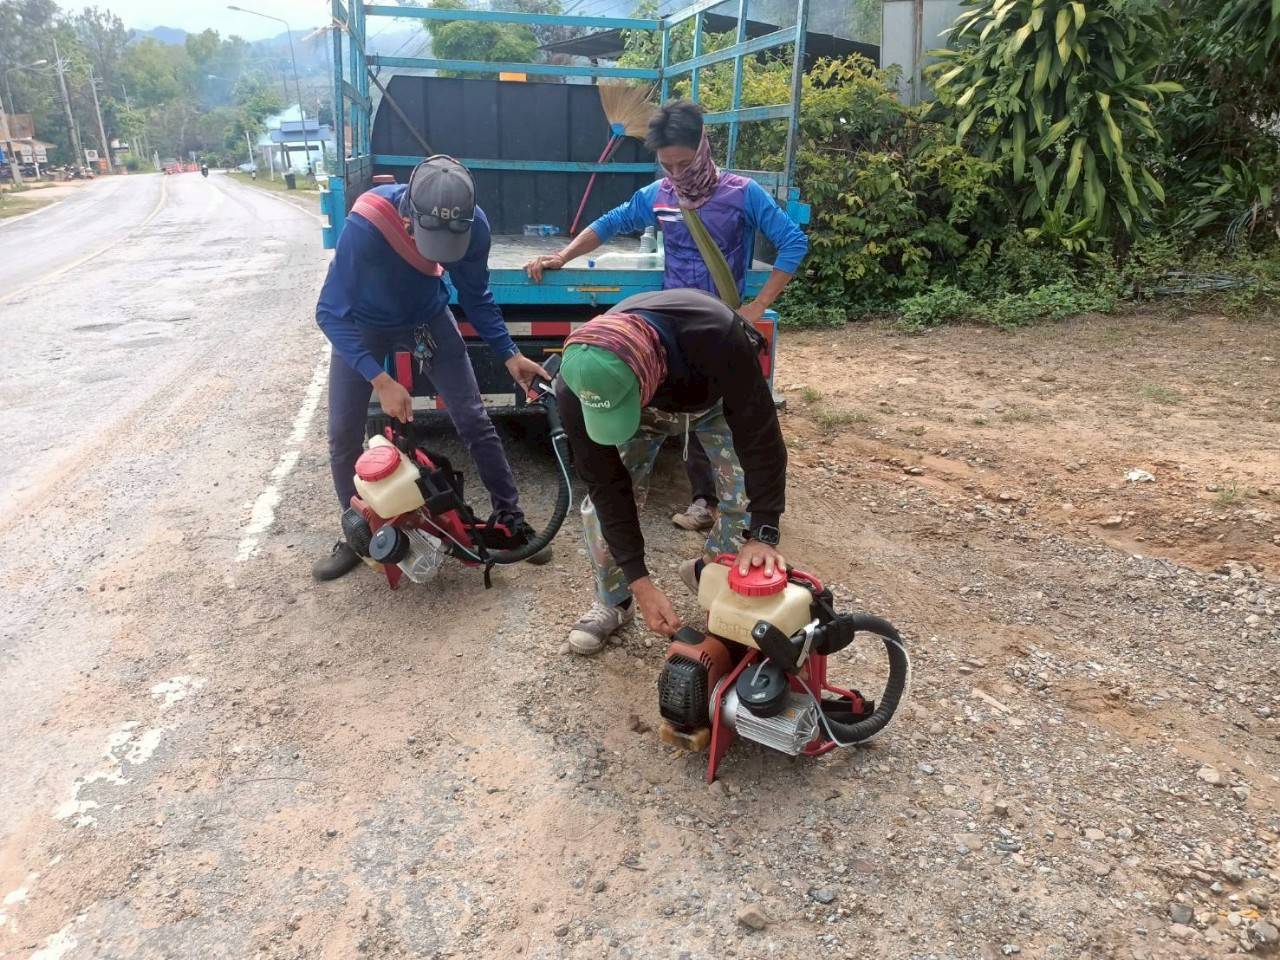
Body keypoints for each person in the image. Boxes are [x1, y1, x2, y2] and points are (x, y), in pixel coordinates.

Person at [524, 100, 807, 535]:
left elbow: (793, 242)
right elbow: (611, 222)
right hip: (673, 330)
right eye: (667, 165)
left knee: (724, 419)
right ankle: (682, 502)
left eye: (683, 163)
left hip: (721, 328)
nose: (676, 174)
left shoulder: (742, 193)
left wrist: (757, 305)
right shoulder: (658, 195)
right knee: (676, 409)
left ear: (703, 147)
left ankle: (724, 508)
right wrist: (563, 255)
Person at [313, 155, 550, 581]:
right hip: (363, 324)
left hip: (426, 319)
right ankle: (359, 532)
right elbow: (330, 312)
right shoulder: (367, 225)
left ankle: (511, 520)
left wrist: (510, 353)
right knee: (342, 435)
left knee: (474, 419)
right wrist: (379, 378)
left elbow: (476, 296)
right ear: (408, 219)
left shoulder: (475, 226)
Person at [555, 288, 787, 654]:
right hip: (642, 403)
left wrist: (763, 532)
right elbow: (606, 484)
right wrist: (641, 583)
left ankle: (712, 577)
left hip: (711, 396)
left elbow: (760, 436)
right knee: (599, 508)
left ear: (647, 371)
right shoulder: (575, 386)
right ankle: (615, 602)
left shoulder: (716, 335)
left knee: (744, 496)